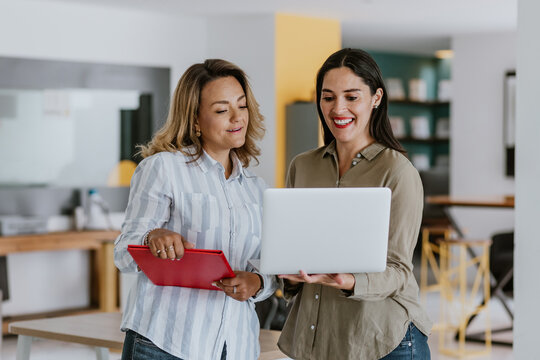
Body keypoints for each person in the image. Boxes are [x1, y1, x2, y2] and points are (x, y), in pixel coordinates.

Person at [114, 59, 277, 360]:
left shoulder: (257, 188)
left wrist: (257, 282)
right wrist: (153, 237)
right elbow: (124, 253)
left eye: (241, 106)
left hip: (236, 346)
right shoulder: (163, 168)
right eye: (221, 110)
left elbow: (269, 266)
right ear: (196, 120)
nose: (237, 117)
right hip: (165, 343)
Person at [277, 48, 432, 359]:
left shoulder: (398, 172)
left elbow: (400, 271)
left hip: (384, 341)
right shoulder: (302, 166)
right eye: (328, 97)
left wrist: (349, 281)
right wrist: (283, 268)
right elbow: (294, 248)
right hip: (318, 341)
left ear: (376, 98)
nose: (338, 108)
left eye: (351, 97)